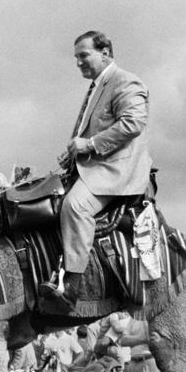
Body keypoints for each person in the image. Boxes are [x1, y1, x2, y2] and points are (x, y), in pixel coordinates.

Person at [39, 30, 151, 309]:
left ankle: (72, 289)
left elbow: (133, 123)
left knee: (75, 206)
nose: (78, 62)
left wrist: (89, 144)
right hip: (94, 166)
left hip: (116, 172)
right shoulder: (98, 86)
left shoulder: (126, 81)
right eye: (76, 57)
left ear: (105, 53)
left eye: (84, 55)